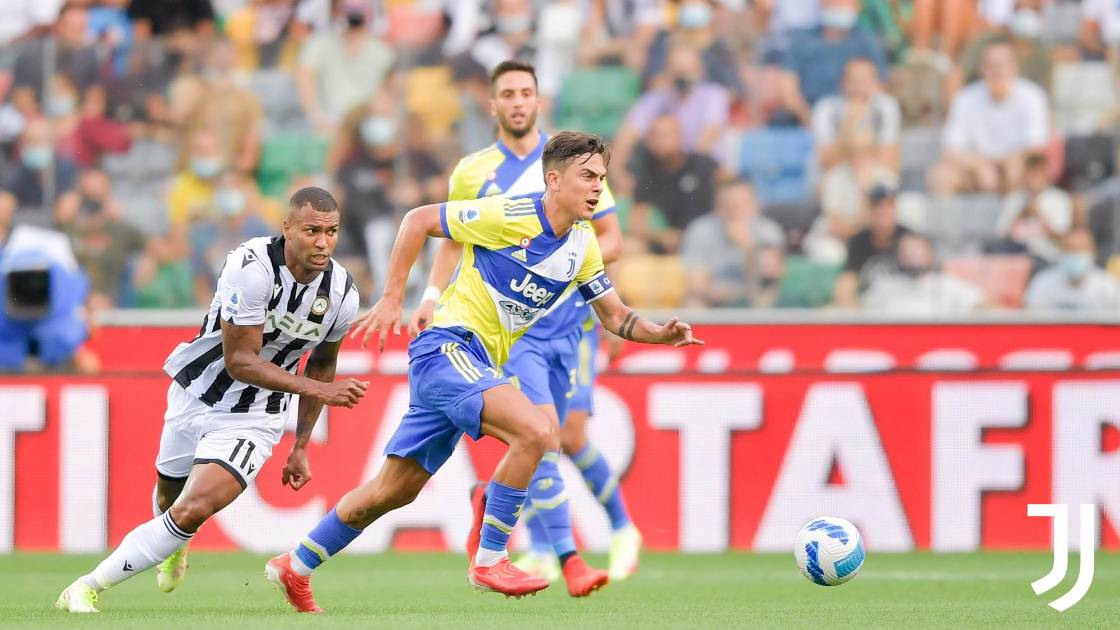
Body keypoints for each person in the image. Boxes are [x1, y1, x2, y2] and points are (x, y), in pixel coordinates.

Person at [265, 132, 702, 612]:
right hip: (446, 347)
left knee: (391, 492)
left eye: (602, 177)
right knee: (538, 431)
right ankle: (491, 557)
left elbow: (615, 317)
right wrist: (393, 297)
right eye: (587, 176)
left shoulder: (583, 246)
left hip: (470, 365)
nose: (598, 187)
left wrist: (659, 334)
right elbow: (418, 220)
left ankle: (296, 564)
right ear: (554, 180)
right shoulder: (509, 215)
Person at [54, 187, 368, 613]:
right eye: (312, 230)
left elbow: (322, 365)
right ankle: (174, 545)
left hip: (255, 415)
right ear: (288, 228)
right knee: (168, 500)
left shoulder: (342, 294)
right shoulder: (251, 266)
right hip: (196, 391)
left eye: (331, 232)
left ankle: (85, 587)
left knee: (194, 507)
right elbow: (240, 361)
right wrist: (320, 391)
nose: (323, 242)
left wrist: (300, 445)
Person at [411, 60, 640, 589]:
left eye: (526, 93)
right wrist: (430, 294)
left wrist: (566, 266)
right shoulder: (473, 171)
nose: (518, 102)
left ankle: (608, 528)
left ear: (539, 101)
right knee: (543, 435)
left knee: (568, 435)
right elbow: (454, 237)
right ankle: (562, 554)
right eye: (508, 94)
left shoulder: (575, 166)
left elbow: (611, 239)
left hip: (572, 320)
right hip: (518, 324)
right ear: (492, 105)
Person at [929, 39, 1048, 196]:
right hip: (975, 169)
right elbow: (950, 149)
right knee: (940, 176)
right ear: (982, 69)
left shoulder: (1032, 95)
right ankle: (946, 213)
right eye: (991, 65)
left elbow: (1035, 146)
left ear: (1014, 67)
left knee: (1024, 168)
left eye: (1002, 64)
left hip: (1017, 167)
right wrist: (980, 165)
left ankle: (1019, 210)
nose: (997, 70)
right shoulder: (965, 98)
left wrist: (1006, 164)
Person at [1025, 229, 1120, 311]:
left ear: (1093, 252)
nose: (1075, 254)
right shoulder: (1043, 282)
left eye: (1080, 249)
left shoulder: (1108, 285)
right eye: (1070, 249)